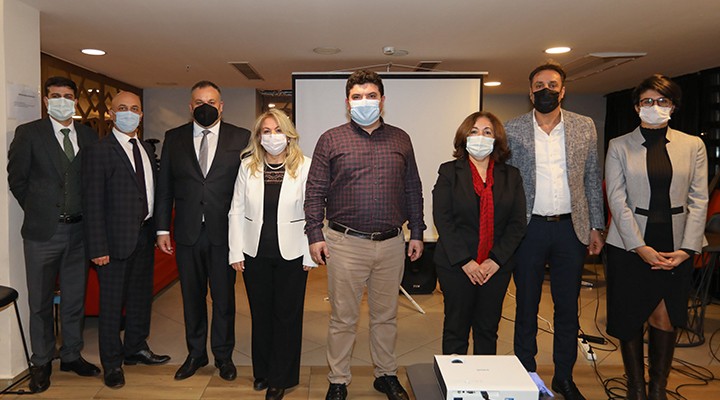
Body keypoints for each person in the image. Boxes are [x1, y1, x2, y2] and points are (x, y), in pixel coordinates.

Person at [305, 69, 425, 400]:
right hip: (345, 243)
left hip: (391, 243)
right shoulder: (331, 139)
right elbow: (315, 190)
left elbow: (412, 187)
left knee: (386, 317)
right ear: (347, 102)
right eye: (357, 97)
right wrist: (314, 233)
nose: (365, 102)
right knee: (343, 319)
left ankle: (385, 375)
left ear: (382, 100)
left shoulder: (401, 139)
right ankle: (338, 380)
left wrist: (417, 231)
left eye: (371, 96)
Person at [505, 63, 605, 400]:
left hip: (570, 230)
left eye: (552, 84)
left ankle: (564, 377)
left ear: (563, 91)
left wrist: (596, 225)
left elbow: (591, 177)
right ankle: (526, 375)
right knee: (526, 306)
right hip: (528, 229)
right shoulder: (513, 128)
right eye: (539, 85)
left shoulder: (584, 126)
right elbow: (506, 182)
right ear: (530, 91)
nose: (545, 89)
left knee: (567, 308)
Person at [605, 74, 708, 400]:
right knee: (631, 316)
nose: (654, 106)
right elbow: (617, 200)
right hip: (630, 245)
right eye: (647, 101)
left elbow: (699, 199)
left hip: (675, 244)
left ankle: (657, 389)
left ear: (673, 106)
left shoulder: (693, 146)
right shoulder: (619, 146)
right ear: (637, 107)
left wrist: (687, 249)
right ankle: (636, 388)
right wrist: (639, 247)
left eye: (662, 101)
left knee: (665, 316)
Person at [7, 76, 100, 393]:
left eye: (68, 96)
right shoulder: (29, 133)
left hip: (80, 232)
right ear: (46, 100)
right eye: (56, 95)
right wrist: (39, 209)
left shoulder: (88, 135)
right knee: (40, 302)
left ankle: (72, 354)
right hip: (42, 233)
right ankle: (42, 361)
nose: (63, 100)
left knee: (74, 299)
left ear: (75, 101)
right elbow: (17, 180)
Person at [155, 80, 250, 381]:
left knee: (224, 299)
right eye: (199, 102)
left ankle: (223, 356)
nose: (205, 107)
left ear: (221, 106)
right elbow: (164, 188)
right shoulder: (174, 138)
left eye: (211, 102)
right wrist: (161, 229)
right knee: (191, 297)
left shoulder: (241, 136)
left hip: (225, 234)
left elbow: (249, 188)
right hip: (187, 232)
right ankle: (196, 354)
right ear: (190, 106)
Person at [82, 91, 171, 388]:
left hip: (143, 236)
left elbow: (152, 194)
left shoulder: (145, 148)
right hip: (113, 242)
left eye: (134, 109)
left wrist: (158, 231)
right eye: (122, 108)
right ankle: (111, 363)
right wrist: (98, 247)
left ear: (141, 115)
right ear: (111, 113)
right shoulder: (99, 151)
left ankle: (136, 347)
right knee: (111, 304)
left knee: (140, 298)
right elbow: (92, 202)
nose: (129, 113)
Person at [228, 109, 315, 400]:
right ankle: (263, 372)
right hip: (254, 252)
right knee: (261, 314)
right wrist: (235, 251)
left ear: (289, 135)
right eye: (266, 131)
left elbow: (314, 212)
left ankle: (281, 377)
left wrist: (310, 254)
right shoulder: (247, 166)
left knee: (287, 317)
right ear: (258, 136)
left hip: (293, 253)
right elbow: (236, 210)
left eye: (278, 130)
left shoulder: (305, 166)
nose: (272, 136)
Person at [432, 111, 526, 356]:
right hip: (456, 265)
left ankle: (484, 377)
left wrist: (495, 260)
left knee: (487, 329)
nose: (480, 137)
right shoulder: (449, 172)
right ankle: (455, 378)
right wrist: (466, 262)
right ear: (464, 137)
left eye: (487, 132)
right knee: (456, 328)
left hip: (495, 266)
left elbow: (517, 223)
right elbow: (443, 219)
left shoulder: (511, 176)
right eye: (474, 132)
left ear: (496, 139)